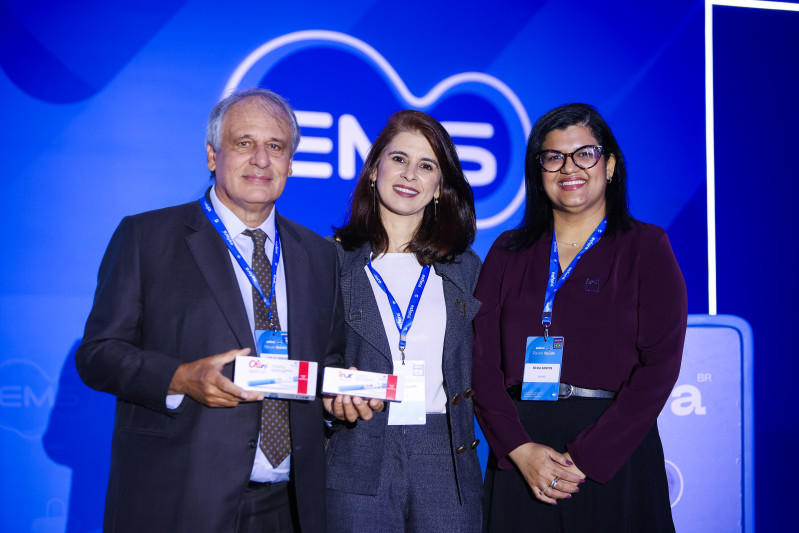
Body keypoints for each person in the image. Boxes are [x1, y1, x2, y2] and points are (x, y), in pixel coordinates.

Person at [76, 88, 381, 533]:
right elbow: (98, 355)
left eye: (276, 147)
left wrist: (338, 399)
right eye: (244, 143)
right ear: (212, 155)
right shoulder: (148, 237)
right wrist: (180, 377)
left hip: (290, 504)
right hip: (179, 496)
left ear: (291, 163)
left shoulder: (320, 255)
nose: (261, 159)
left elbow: (327, 360)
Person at [473, 103, 686, 532]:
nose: (569, 167)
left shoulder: (645, 246)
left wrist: (588, 457)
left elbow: (660, 365)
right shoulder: (507, 251)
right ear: (539, 171)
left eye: (584, 153)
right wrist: (517, 448)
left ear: (609, 165)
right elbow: (478, 360)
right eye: (554, 157)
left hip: (614, 452)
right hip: (523, 451)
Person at [323, 110, 484, 532]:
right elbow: (309, 353)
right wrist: (329, 398)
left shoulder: (466, 268)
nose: (410, 174)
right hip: (358, 445)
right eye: (398, 159)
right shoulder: (329, 261)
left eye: (427, 165)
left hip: (445, 455)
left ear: (438, 188)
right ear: (374, 169)